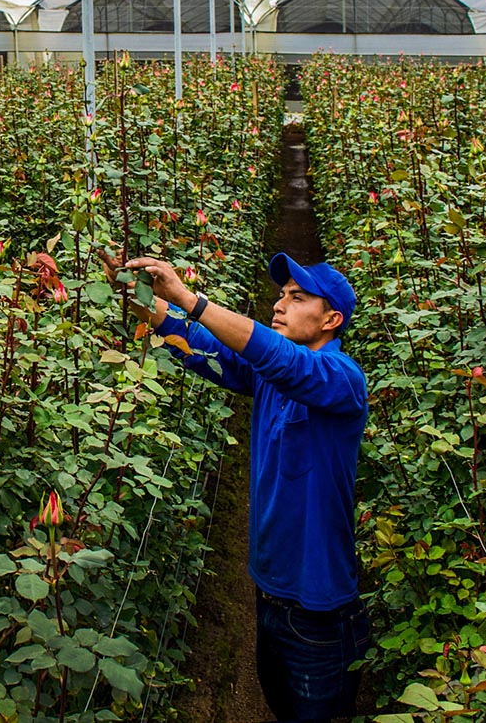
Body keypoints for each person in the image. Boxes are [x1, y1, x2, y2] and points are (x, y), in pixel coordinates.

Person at [121, 251, 371, 722]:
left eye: (297, 298)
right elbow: (195, 344)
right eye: (280, 295)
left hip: (319, 610)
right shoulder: (270, 377)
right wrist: (134, 292)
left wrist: (189, 298)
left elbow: (280, 359)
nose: (279, 304)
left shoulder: (341, 380)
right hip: (269, 593)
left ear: (331, 320)